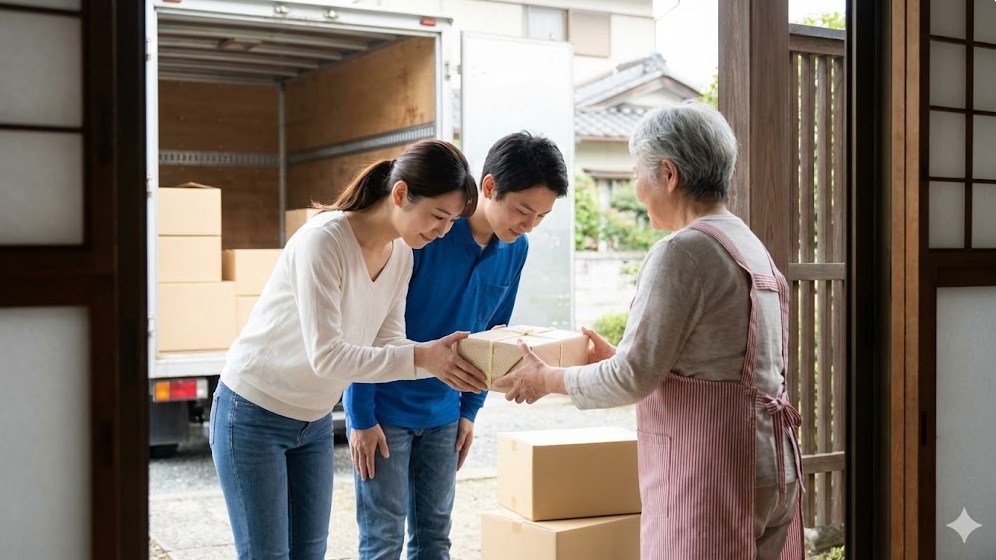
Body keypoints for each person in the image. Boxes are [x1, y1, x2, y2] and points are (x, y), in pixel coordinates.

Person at [495, 101, 805, 560]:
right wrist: (617, 357)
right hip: (770, 465)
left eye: (637, 172)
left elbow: (632, 378)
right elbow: (710, 361)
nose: (636, 188)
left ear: (668, 173)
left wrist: (546, 380)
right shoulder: (746, 242)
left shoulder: (683, 252)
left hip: (713, 474)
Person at [210, 139, 489, 560]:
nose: (442, 231)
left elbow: (388, 342)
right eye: (438, 216)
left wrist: (441, 359)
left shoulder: (401, 256)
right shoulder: (324, 241)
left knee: (310, 554)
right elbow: (328, 356)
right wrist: (422, 357)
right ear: (400, 194)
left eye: (451, 222)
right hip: (253, 414)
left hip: (314, 421)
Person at [343, 131, 570, 560]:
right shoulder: (427, 233)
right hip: (385, 411)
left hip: (445, 416)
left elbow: (493, 336)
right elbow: (367, 326)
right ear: (488, 188)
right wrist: (359, 415)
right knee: (382, 541)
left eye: (541, 216)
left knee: (435, 540)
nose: (528, 225)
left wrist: (469, 411)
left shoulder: (515, 250)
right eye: (523, 210)